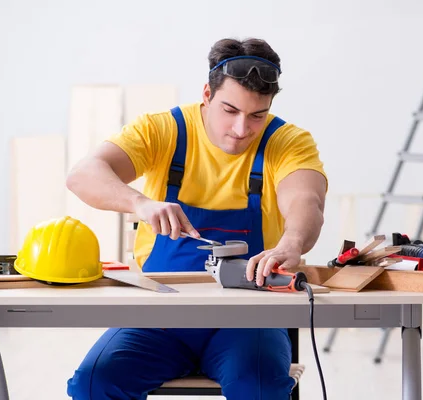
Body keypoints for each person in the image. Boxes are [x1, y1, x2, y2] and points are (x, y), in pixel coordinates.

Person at [65, 37, 328, 400]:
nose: (241, 129)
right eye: (229, 110)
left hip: (248, 320)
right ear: (207, 93)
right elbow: (83, 174)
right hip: (159, 318)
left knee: (261, 388)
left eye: (257, 115)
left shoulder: (288, 142)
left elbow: (306, 200)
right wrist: (140, 203)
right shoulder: (162, 130)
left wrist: (292, 242)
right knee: (95, 384)